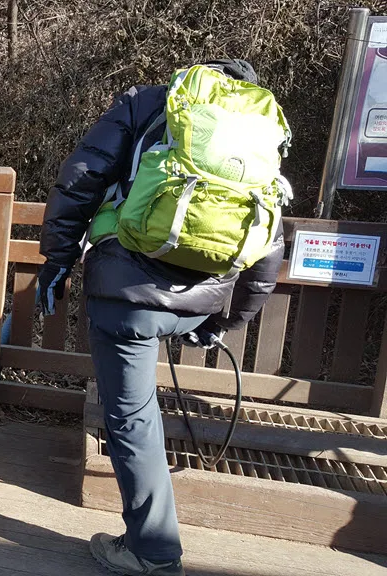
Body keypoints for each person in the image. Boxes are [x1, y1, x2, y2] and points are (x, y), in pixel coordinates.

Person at [37, 60, 287, 576]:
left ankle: (153, 551)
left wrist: (57, 260)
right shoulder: (257, 132)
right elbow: (269, 242)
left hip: (126, 292)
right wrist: (225, 321)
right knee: (137, 414)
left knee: (132, 418)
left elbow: (81, 178)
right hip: (201, 297)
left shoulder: (147, 103)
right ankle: (151, 539)